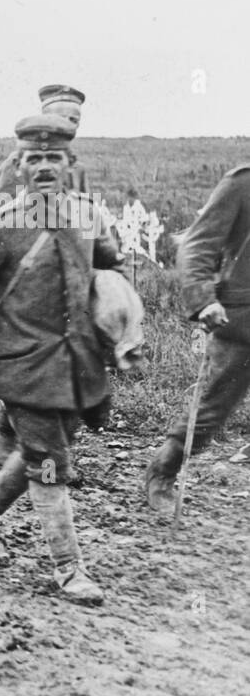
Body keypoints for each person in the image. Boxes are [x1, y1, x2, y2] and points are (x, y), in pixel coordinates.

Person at [0, 115, 122, 605]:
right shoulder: (2, 225)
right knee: (51, 462)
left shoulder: (85, 214)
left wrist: (119, 327)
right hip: (22, 366)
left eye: (52, 158)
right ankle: (68, 569)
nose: (42, 167)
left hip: (77, 367)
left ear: (69, 164)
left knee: (44, 453)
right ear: (18, 164)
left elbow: (109, 268)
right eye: (32, 159)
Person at [143, 163, 250, 511]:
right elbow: (199, 244)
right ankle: (163, 470)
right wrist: (204, 299)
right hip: (242, 318)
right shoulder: (242, 183)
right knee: (213, 407)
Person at [0, 85, 90, 217]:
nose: (67, 125)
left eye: (73, 120)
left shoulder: (77, 167)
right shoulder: (19, 163)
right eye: (60, 118)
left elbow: (87, 219)